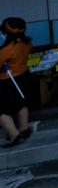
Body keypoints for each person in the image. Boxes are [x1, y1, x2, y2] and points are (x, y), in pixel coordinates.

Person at [0, 17, 33, 148]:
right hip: (24, 76)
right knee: (21, 103)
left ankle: (14, 134)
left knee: (1, 110)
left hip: (8, 81)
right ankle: (24, 129)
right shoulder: (27, 43)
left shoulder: (6, 49)